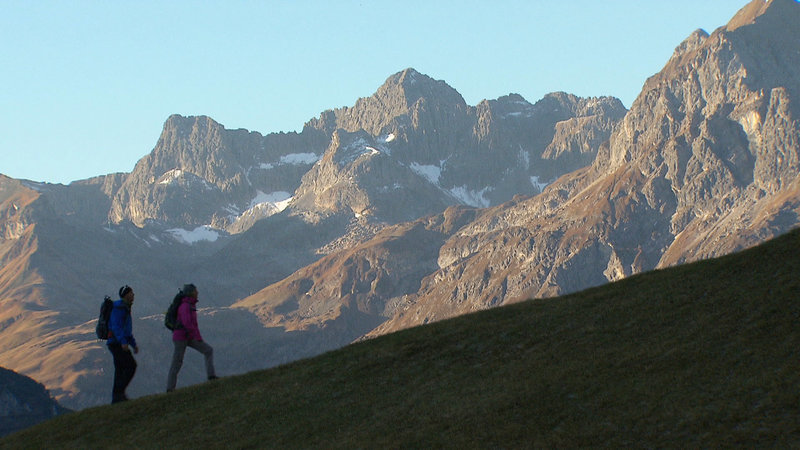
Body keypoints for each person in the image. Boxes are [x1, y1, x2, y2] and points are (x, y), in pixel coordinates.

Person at [166, 283, 217, 392]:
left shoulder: (190, 305)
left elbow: (192, 324)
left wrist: (197, 337)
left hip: (186, 336)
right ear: (191, 293)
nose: (197, 293)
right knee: (177, 362)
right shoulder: (186, 306)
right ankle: (170, 388)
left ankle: (211, 376)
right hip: (181, 337)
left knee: (208, 350)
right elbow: (187, 323)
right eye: (195, 291)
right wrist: (196, 336)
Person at [107, 285, 139, 403]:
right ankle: (119, 393)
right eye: (131, 293)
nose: (133, 295)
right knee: (131, 366)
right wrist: (124, 342)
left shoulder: (124, 308)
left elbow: (126, 330)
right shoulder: (119, 308)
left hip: (116, 342)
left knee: (120, 370)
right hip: (117, 343)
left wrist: (133, 344)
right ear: (126, 295)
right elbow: (117, 327)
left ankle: (117, 398)